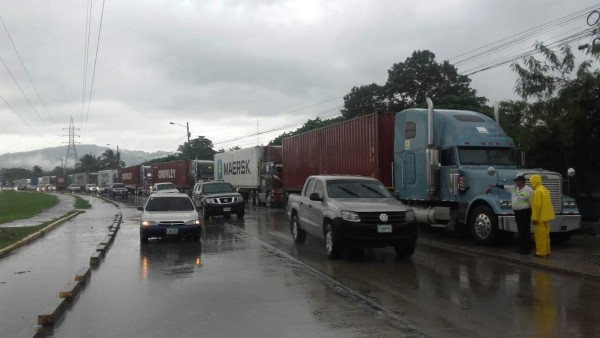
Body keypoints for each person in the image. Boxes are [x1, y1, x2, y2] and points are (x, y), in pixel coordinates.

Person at [486, 174, 533, 254]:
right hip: (517, 212)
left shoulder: (529, 190)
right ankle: (521, 247)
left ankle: (527, 248)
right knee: (520, 230)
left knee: (525, 231)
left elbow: (532, 202)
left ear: (521, 182)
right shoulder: (514, 188)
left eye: (517, 181)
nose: (515, 183)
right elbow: (504, 187)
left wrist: (532, 213)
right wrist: (494, 185)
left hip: (525, 212)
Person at [530, 174, 555, 257]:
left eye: (532, 182)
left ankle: (541, 252)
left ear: (534, 182)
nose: (531, 183)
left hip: (540, 217)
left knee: (540, 236)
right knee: (546, 235)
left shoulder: (537, 191)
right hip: (546, 216)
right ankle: (547, 251)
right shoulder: (544, 189)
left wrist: (534, 218)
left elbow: (537, 206)